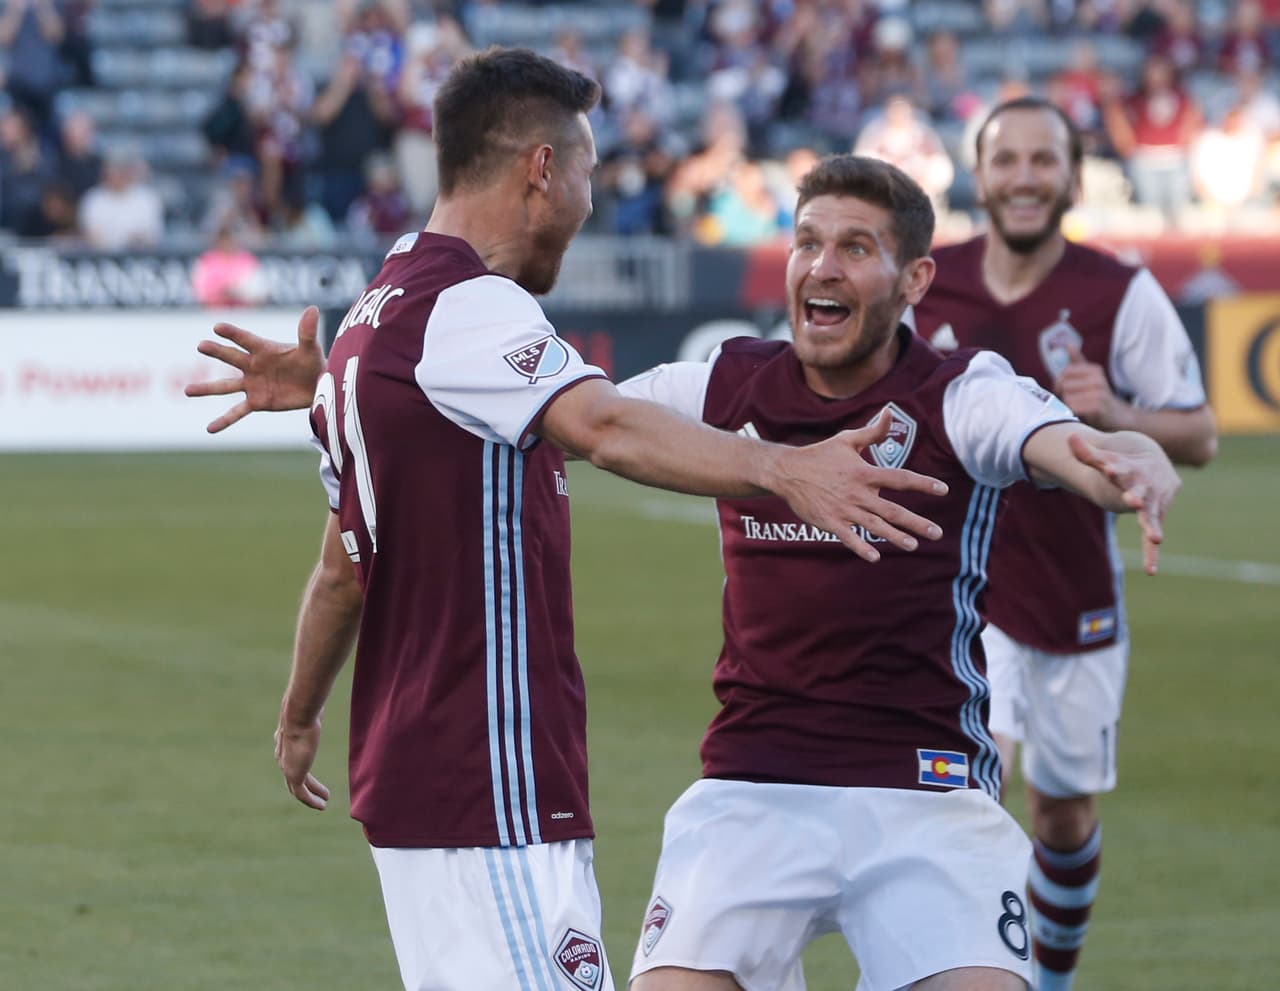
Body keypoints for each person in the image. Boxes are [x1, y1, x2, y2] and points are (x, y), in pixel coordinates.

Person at [190, 151, 1182, 991]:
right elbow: (547, 412)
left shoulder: (961, 395)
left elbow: (1052, 440)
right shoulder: (722, 383)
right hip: (752, 786)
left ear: (914, 280)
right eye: (805, 242)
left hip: (924, 791)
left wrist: (1118, 456)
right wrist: (335, 384)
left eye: (853, 247)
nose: (818, 266)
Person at [186, 49, 951, 991]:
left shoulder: (373, 318)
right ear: (541, 170)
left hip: (422, 778)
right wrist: (784, 468)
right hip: (486, 782)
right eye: (587, 174)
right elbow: (604, 423)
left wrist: (300, 716)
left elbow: (347, 564)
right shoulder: (469, 306)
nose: (591, 203)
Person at [912, 96, 1217, 991]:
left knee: (1063, 815)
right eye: (1007, 160)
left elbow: (1198, 434)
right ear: (979, 173)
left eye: (1044, 161)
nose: (1024, 179)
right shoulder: (930, 281)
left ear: (1074, 179)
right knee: (973, 796)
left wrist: (1116, 415)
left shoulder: (1119, 291)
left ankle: (1051, 980)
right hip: (959, 590)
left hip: (1077, 589)